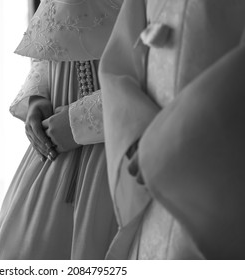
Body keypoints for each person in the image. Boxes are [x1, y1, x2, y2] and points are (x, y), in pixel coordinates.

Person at [99, 0, 245, 259]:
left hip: (216, 174)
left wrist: (164, 145)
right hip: (147, 174)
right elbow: (118, 61)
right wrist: (134, 129)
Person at [0, 0, 123, 260]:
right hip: (52, 150)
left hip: (115, 154)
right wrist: (37, 98)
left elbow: (158, 75)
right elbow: (51, 43)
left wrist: (78, 121)